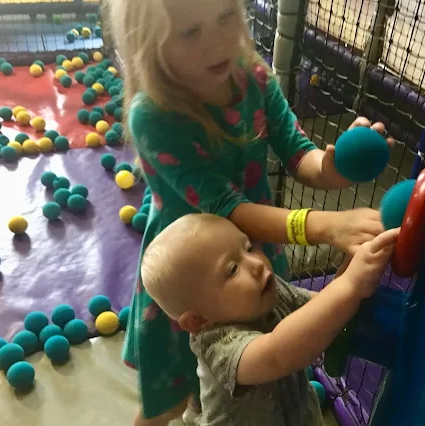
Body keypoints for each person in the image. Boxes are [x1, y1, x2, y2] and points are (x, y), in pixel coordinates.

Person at [106, 0, 395, 423]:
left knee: (263, 355)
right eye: (190, 32)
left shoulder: (253, 77)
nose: (219, 40)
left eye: (225, 17)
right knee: (176, 392)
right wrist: (326, 226)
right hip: (196, 267)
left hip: (247, 250)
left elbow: (300, 154)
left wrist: (335, 165)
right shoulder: (155, 114)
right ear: (149, 47)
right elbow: (229, 208)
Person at [140, 214, 399, 425]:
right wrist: (351, 285)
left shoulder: (267, 291)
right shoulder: (218, 346)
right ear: (198, 320)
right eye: (232, 269)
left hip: (296, 412)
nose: (255, 263)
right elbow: (277, 354)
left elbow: (317, 308)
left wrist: (346, 281)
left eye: (248, 247)